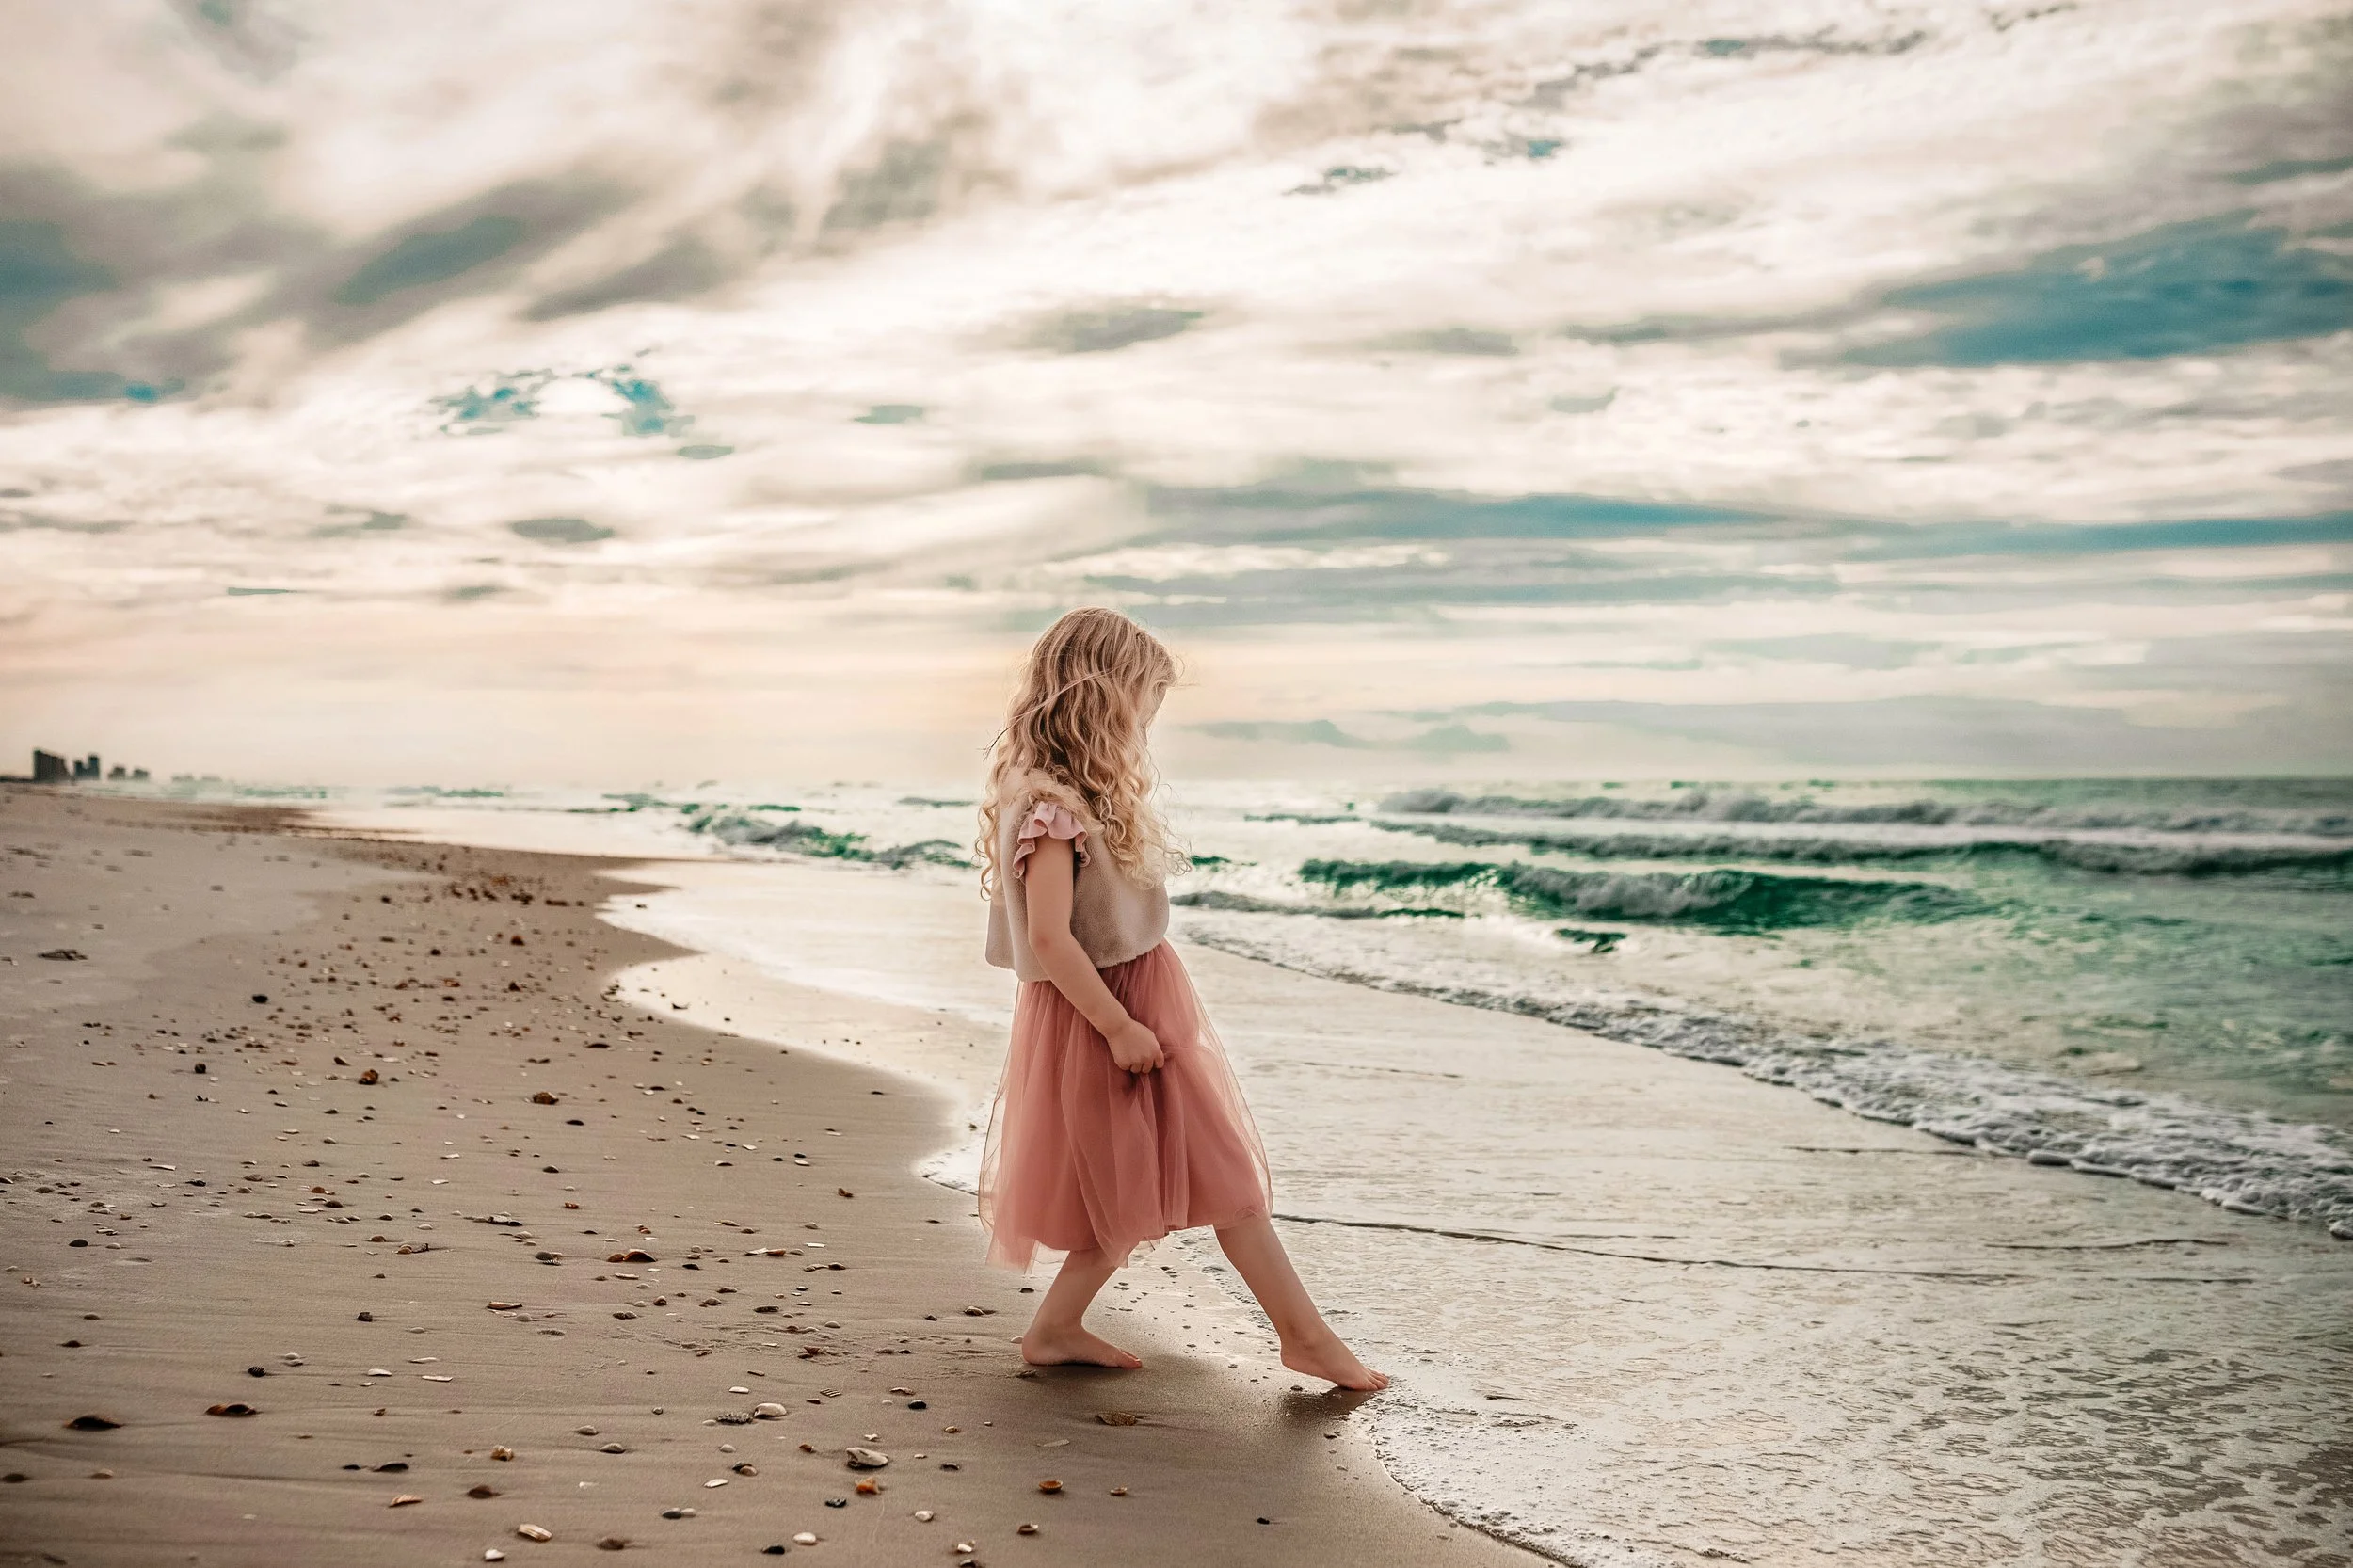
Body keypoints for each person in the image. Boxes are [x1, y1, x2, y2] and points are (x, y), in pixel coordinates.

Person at [974, 606, 1387, 1391]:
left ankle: (1058, 1326)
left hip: (1126, 1003)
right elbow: (1054, 938)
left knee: (1140, 1182)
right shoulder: (1050, 807)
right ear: (1102, 699)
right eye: (1145, 706)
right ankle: (1304, 1338)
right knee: (1210, 1176)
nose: (1148, 726)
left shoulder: (1062, 794)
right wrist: (1120, 1025)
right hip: (1105, 1013)